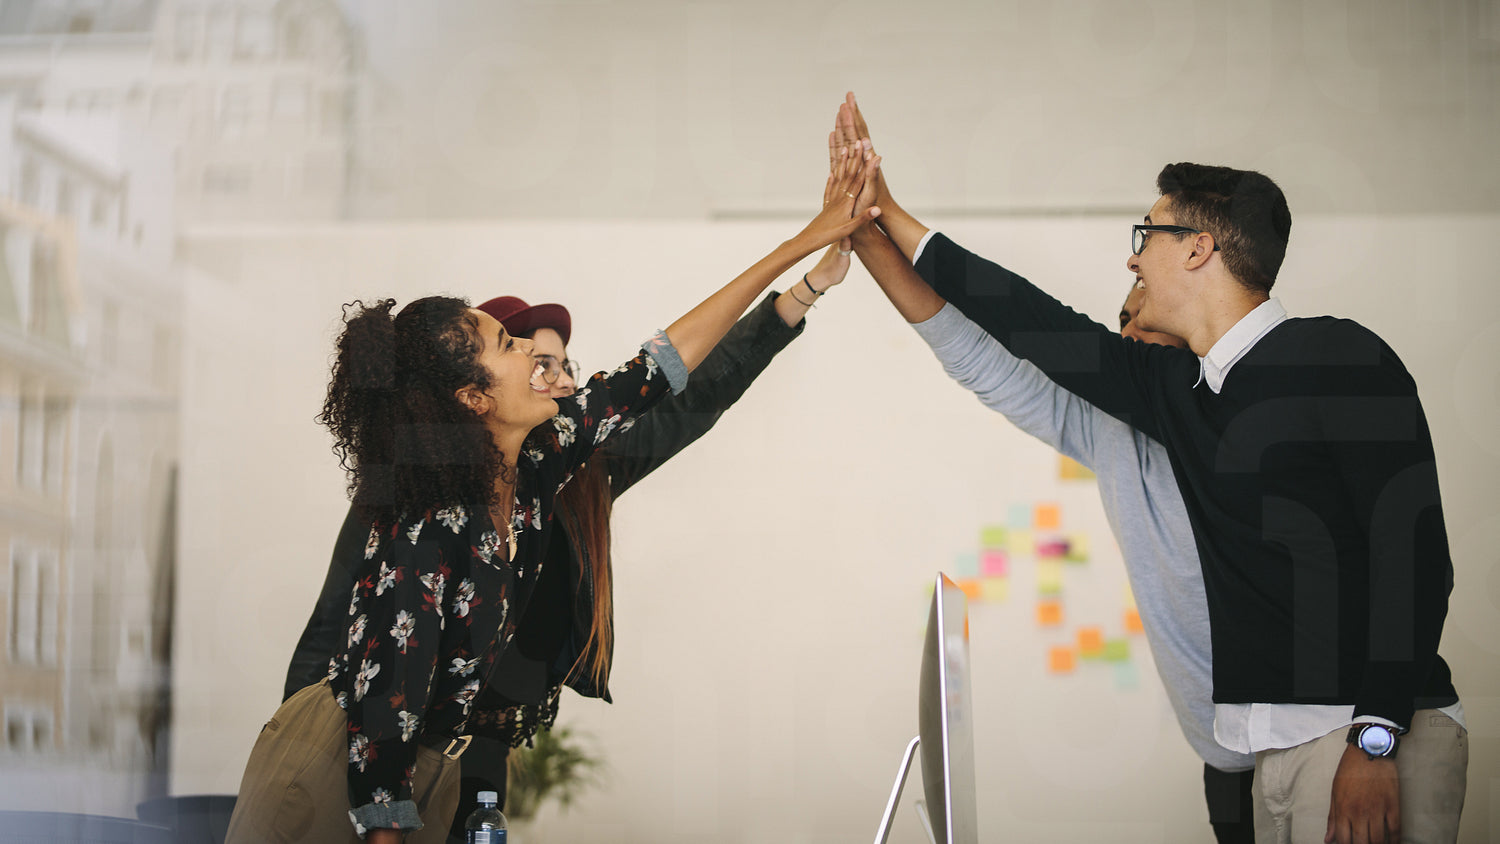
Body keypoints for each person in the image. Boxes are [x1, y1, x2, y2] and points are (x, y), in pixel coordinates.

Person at [837, 93, 1465, 844]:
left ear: (1198, 248)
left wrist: (1377, 733)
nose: (1133, 259)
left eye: (1148, 236)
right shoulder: (1181, 396)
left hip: (1364, 737)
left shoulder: (1339, 355)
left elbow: (1413, 554)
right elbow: (1032, 323)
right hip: (1266, 748)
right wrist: (880, 221)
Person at [226, 143, 882, 844]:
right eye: (513, 348)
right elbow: (382, 721)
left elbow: (665, 366)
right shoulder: (425, 525)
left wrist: (802, 252)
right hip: (343, 770)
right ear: (474, 398)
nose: (542, 366)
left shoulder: (540, 464)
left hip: (437, 766)